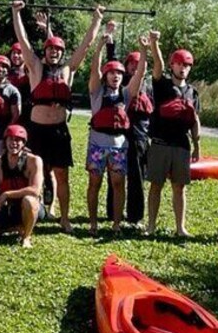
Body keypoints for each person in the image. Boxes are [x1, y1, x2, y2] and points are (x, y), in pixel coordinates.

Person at [12, 0, 105, 232]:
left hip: (59, 131)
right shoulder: (35, 67)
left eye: (58, 50)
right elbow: (23, 41)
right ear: (45, 52)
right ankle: (29, 215)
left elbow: (86, 45)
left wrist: (97, 20)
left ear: (62, 53)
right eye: (51, 49)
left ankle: (64, 218)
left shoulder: (67, 70)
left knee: (62, 175)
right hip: (37, 131)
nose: (54, 53)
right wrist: (16, 14)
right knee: (35, 173)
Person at [85, 30, 148, 235]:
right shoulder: (97, 91)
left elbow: (139, 74)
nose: (116, 76)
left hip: (119, 145)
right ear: (106, 75)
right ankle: (93, 223)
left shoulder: (126, 93)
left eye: (120, 74)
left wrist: (144, 50)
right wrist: (100, 47)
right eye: (112, 73)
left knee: (118, 183)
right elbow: (94, 69)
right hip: (97, 144)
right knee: (95, 183)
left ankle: (116, 224)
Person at [144, 31, 201, 237]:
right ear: (172, 66)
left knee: (179, 188)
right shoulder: (162, 84)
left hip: (181, 145)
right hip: (160, 143)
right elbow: (157, 65)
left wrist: (197, 146)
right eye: (179, 64)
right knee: (156, 186)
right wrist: (154, 43)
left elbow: (195, 120)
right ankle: (150, 225)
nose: (183, 68)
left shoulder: (193, 93)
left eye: (186, 65)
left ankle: (180, 228)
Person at [105, 41, 154, 228]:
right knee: (115, 176)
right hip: (120, 136)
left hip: (140, 138)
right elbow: (112, 63)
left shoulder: (149, 87)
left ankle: (135, 216)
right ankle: (113, 212)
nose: (134, 66)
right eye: (131, 63)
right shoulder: (121, 85)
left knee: (137, 178)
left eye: (138, 63)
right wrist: (111, 45)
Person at [0, 125, 44, 248]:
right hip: (9, 208)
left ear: (24, 143)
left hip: (29, 207)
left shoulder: (34, 161)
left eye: (18, 140)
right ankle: (14, 227)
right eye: (10, 139)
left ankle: (26, 236)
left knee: (28, 201)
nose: (14, 143)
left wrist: (7, 194)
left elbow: (35, 191)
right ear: (5, 142)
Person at [0, 55, 21, 157]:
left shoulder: (12, 91)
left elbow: (15, 115)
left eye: (4, 67)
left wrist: (6, 134)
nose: (0, 69)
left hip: (1, 133)